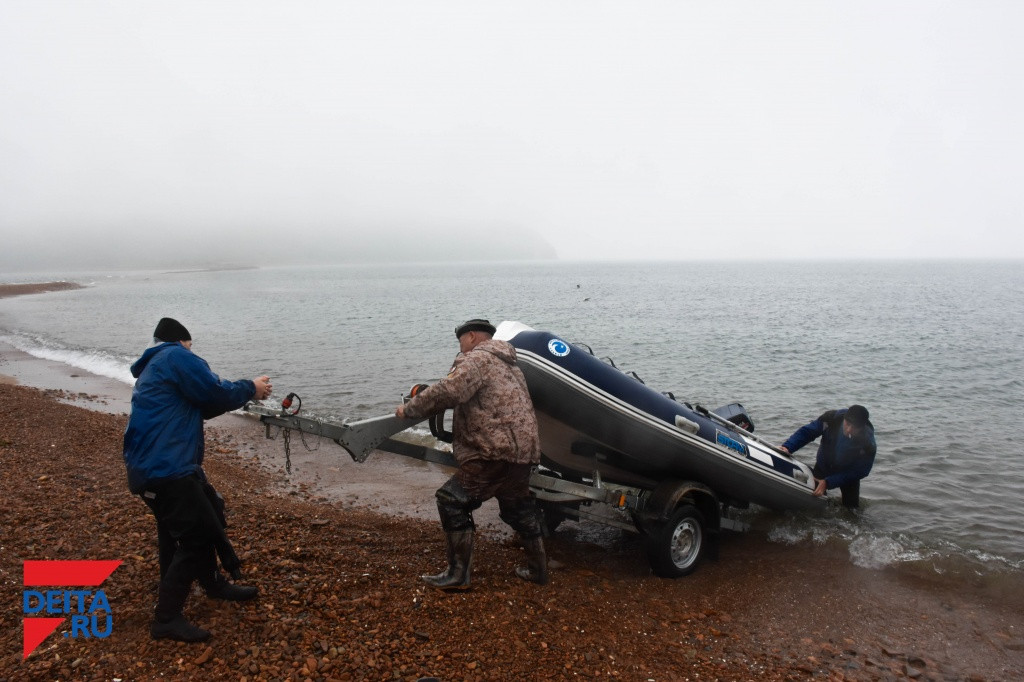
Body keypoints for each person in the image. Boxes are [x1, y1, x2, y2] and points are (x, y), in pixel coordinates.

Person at [123, 317, 273, 642]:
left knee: (201, 517)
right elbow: (213, 390)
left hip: (151, 468)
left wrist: (243, 395)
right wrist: (252, 387)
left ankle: (213, 585)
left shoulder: (154, 367)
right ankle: (166, 618)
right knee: (195, 536)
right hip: (168, 467)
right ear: (183, 342)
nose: (193, 353)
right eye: (192, 347)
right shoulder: (176, 356)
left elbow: (202, 405)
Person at [395, 318, 548, 590]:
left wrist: (410, 409)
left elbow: (449, 390)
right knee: (518, 508)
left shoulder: (478, 359)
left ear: (474, 337)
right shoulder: (510, 365)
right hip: (524, 451)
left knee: (452, 500)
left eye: (462, 341)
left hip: (493, 451)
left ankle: (458, 575)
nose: (461, 348)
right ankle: (538, 571)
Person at [779, 404, 876, 508]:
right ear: (844, 419)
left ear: (862, 428)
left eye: (854, 428)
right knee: (812, 502)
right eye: (847, 424)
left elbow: (861, 471)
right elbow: (808, 432)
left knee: (852, 512)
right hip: (823, 466)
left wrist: (829, 482)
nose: (849, 430)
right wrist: (788, 447)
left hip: (848, 475)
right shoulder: (831, 419)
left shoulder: (868, 443)